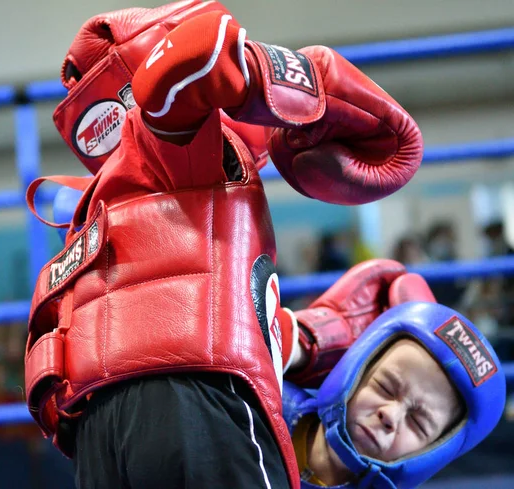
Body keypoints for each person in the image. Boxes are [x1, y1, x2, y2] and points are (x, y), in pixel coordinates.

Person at [24, 4, 424, 488]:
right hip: (199, 400)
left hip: (102, 435)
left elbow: (174, 307)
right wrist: (294, 80)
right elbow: (195, 54)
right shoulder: (178, 144)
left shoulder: (101, 209)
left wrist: (312, 338)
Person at [282, 272, 506, 488]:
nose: (390, 415)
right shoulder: (269, 406)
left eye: (418, 423)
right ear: (355, 370)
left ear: (434, 451)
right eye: (385, 387)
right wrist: (296, 342)